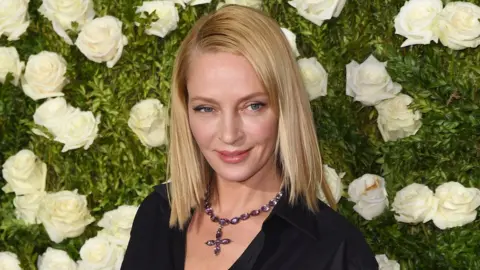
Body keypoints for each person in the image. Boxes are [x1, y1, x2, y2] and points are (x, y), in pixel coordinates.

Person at [121, 4, 378, 270]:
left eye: (253, 106)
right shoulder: (157, 214)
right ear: (185, 111)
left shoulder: (335, 249)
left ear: (284, 107)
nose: (230, 134)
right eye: (206, 108)